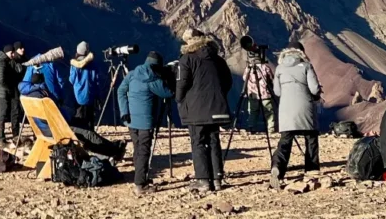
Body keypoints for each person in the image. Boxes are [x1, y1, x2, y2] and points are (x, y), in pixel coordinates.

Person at [20, 70, 124, 161]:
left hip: (44, 130)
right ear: (42, 81)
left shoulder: (26, 95)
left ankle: (109, 150)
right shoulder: (43, 96)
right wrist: (68, 114)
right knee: (86, 133)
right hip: (56, 129)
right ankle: (114, 151)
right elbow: (57, 116)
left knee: (82, 126)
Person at [176, 30, 233, 193]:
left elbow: (182, 85)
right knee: (214, 141)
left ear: (190, 42)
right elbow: (227, 82)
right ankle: (217, 179)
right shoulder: (218, 59)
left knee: (198, 142)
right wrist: (218, 95)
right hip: (217, 107)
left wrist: (180, 99)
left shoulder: (187, 59)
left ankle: (203, 180)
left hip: (196, 109)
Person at [117, 51, 174, 197]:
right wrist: (169, 77)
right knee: (143, 152)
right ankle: (140, 185)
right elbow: (168, 93)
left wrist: (124, 111)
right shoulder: (153, 79)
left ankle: (140, 178)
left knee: (138, 149)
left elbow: (121, 90)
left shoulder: (132, 74)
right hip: (145, 121)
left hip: (130, 120)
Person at [270, 43, 321, 188]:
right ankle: (312, 170)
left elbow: (277, 92)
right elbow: (314, 88)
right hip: (305, 108)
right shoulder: (306, 66)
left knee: (285, 141)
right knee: (311, 139)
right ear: (301, 53)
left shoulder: (279, 68)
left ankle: (278, 167)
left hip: (286, 110)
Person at [68, 41, 101, 129]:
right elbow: (96, 81)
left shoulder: (75, 65)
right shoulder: (93, 65)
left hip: (78, 97)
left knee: (80, 120)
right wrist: (97, 96)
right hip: (90, 96)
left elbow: (71, 80)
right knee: (90, 119)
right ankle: (91, 136)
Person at [0, 45, 21, 144]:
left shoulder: (10, 62)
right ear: (7, 52)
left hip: (8, 92)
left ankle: (13, 136)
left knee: (10, 114)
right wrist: (9, 88)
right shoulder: (1, 63)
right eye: (12, 52)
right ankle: (1, 138)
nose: (13, 54)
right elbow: (1, 81)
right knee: (3, 115)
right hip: (3, 93)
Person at [243, 53, 276, 133]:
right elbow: (271, 78)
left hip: (253, 94)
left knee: (253, 111)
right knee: (269, 112)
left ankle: (251, 127)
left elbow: (245, 78)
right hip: (265, 94)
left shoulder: (248, 68)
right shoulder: (265, 67)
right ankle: (271, 129)